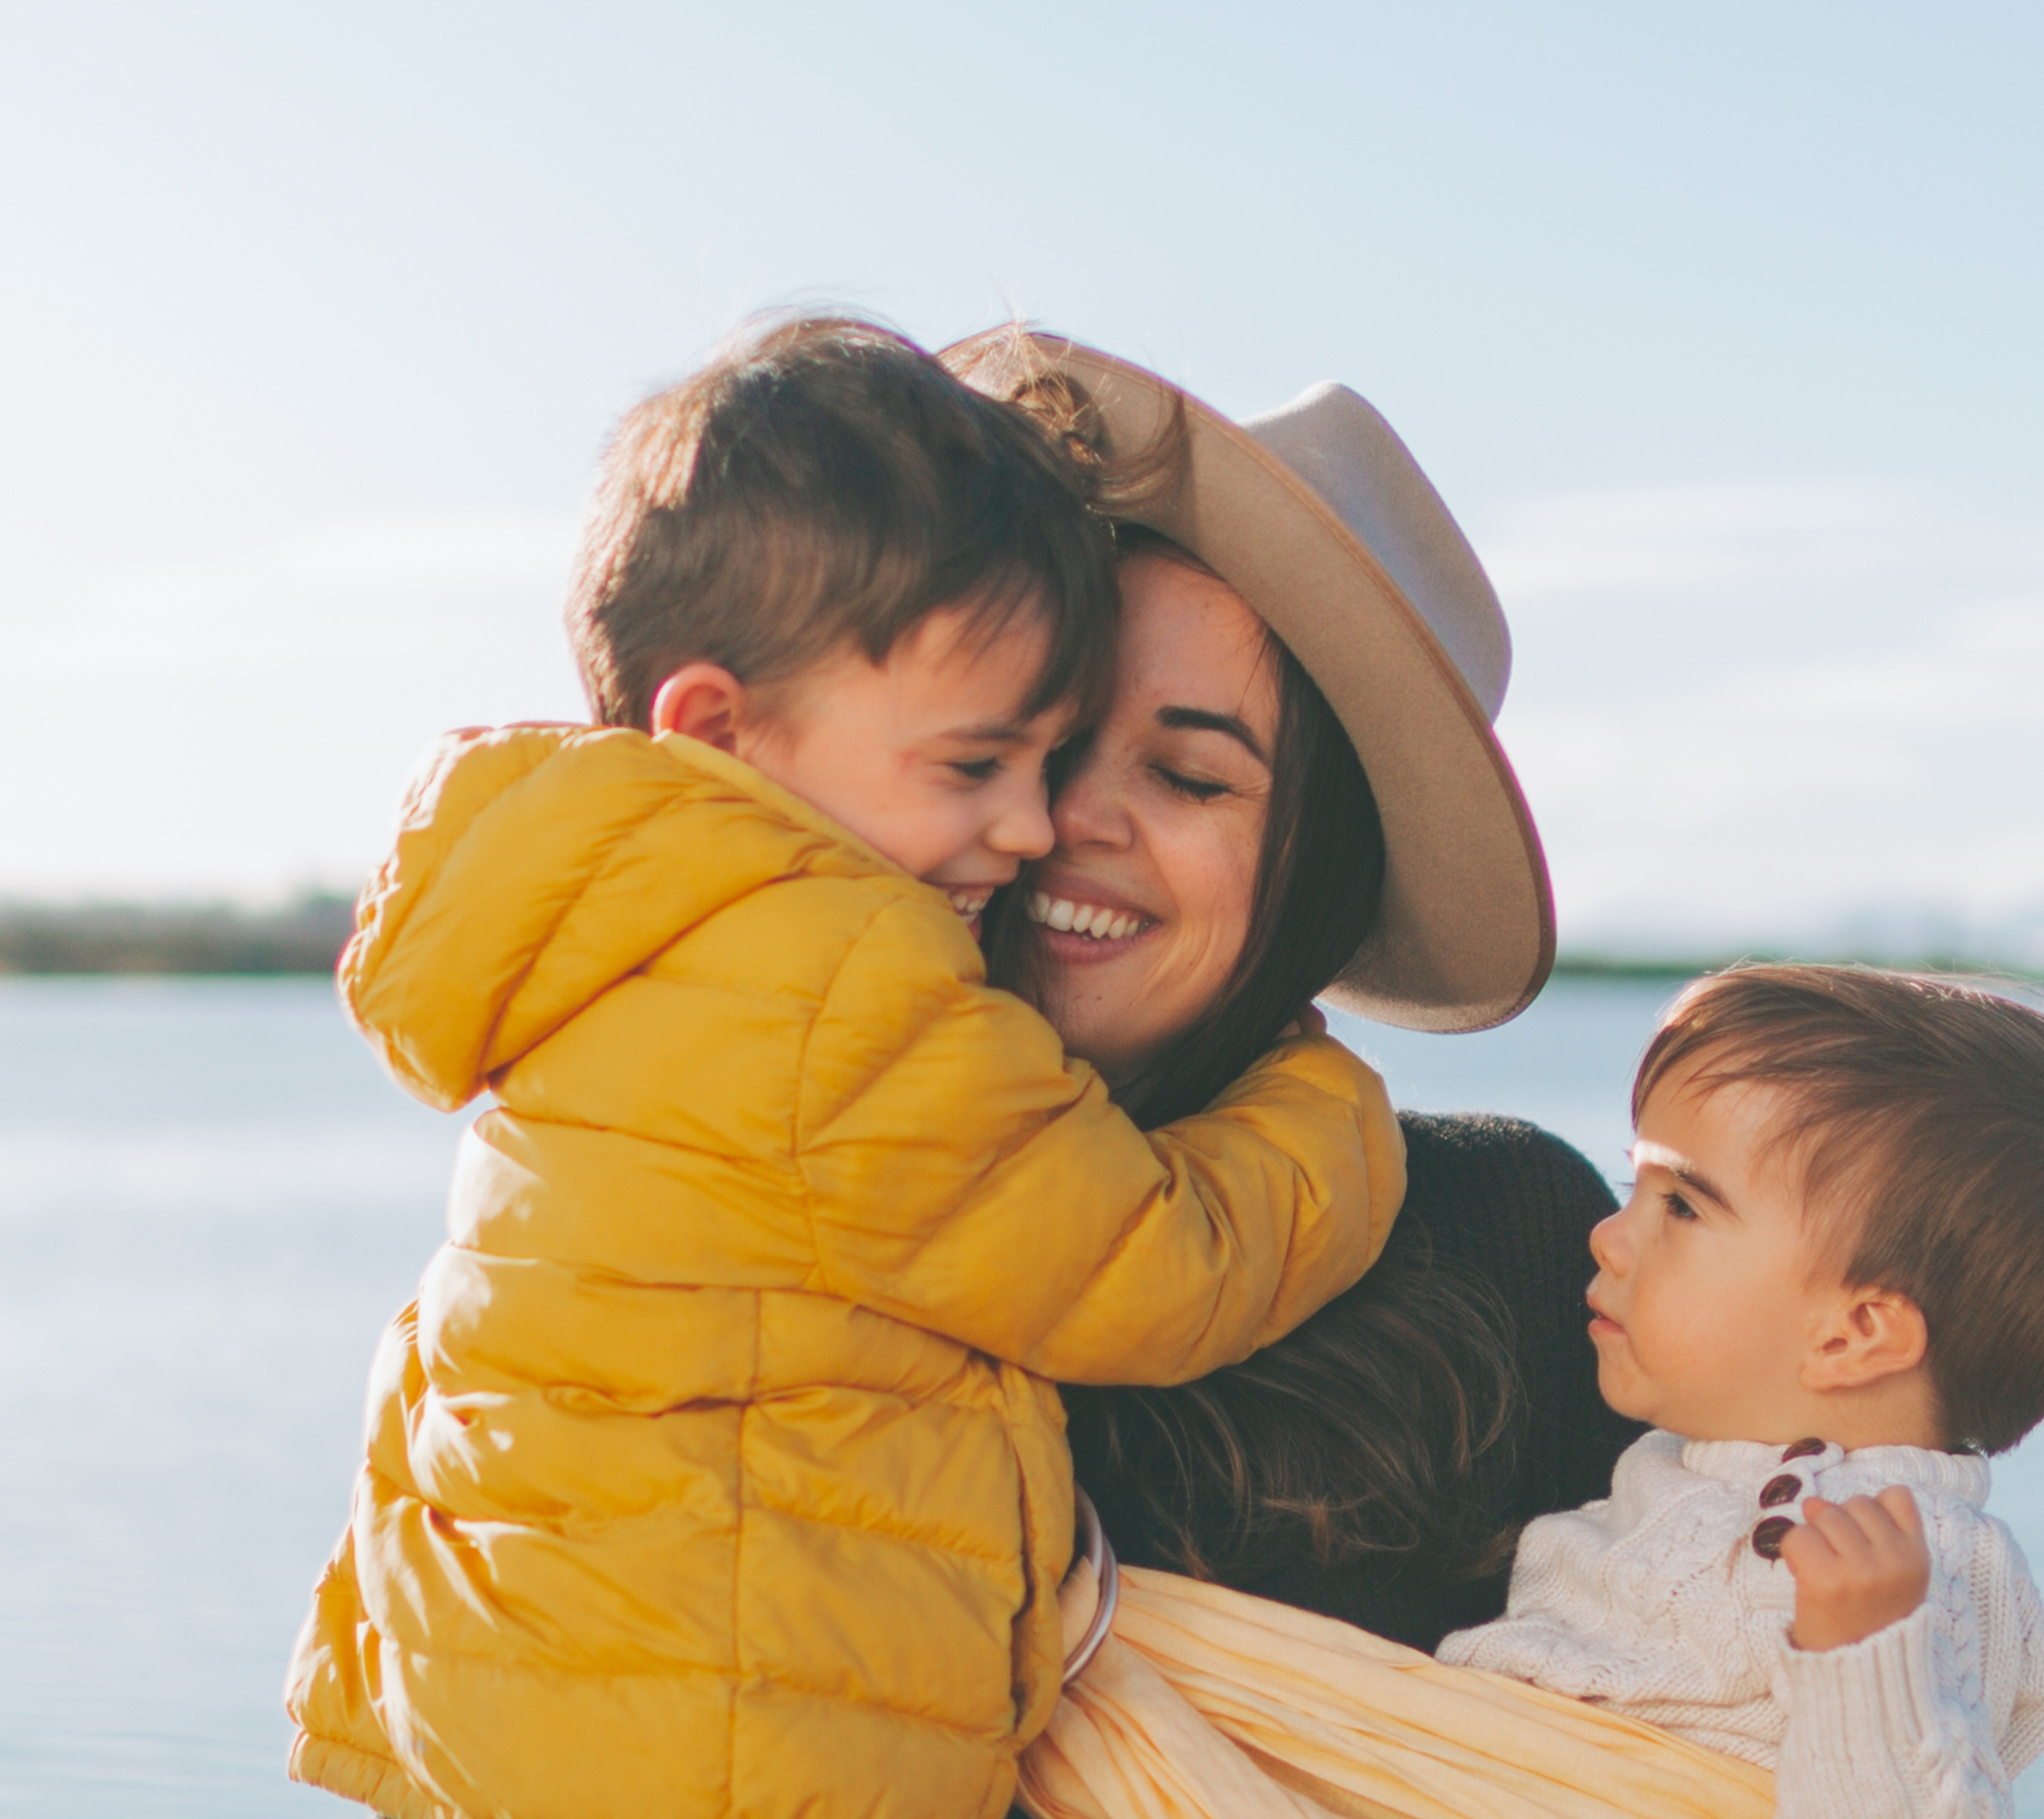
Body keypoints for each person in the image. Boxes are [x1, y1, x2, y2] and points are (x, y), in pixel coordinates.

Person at [282, 315, 1410, 1819]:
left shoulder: (612, 949)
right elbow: (1158, 1262)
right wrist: (1329, 1112)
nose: (1035, 826)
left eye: (1185, 772)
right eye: (980, 764)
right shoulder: (835, 991)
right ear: (721, 731)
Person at [941, 328, 1637, 1655]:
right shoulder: (750, 1185)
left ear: (1318, 874)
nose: (1068, 815)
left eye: (1192, 777)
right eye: (1052, 732)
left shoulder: (1507, 1238)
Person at [1432, 964, 2044, 1817]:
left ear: (1852, 1335)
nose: (1608, 1236)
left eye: (1684, 1207)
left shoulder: (1917, 1566)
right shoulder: (1681, 1461)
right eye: (1637, 1188)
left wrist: (1864, 1656)